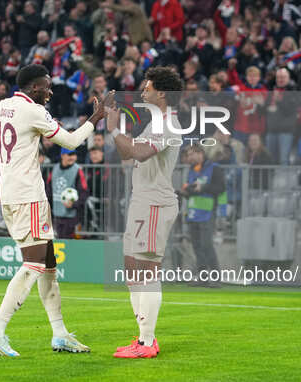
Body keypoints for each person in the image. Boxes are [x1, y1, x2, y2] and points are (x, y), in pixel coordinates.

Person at [0, 64, 113, 357]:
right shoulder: (33, 111)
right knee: (34, 264)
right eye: (47, 86)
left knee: (49, 265)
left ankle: (60, 334)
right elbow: (71, 142)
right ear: (34, 87)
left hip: (10, 191)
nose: (51, 91)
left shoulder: (2, 106)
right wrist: (96, 117)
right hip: (28, 195)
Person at [106, 66, 183, 359]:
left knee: (147, 269)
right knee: (132, 271)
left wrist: (114, 128)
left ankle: (148, 342)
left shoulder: (167, 124)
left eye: (147, 87)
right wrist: (116, 128)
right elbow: (128, 152)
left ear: (161, 92)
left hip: (155, 203)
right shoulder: (156, 122)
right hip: (143, 201)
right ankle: (142, 337)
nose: (142, 90)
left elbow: (138, 153)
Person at [178, 145, 225, 287]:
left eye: (192, 154)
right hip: (193, 213)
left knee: (206, 245)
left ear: (200, 153)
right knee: (197, 246)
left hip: (208, 212)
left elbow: (220, 188)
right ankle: (203, 278)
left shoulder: (214, 168)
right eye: (188, 155)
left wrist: (203, 188)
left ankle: (216, 278)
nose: (189, 158)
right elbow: (193, 191)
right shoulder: (192, 170)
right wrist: (185, 192)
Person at [45, 148, 89, 239]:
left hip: (72, 216)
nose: (72, 157)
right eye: (69, 155)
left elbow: (84, 192)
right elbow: (48, 189)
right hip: (56, 214)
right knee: (59, 240)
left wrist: (74, 204)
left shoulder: (78, 170)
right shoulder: (55, 169)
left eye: (74, 155)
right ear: (62, 156)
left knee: (70, 241)